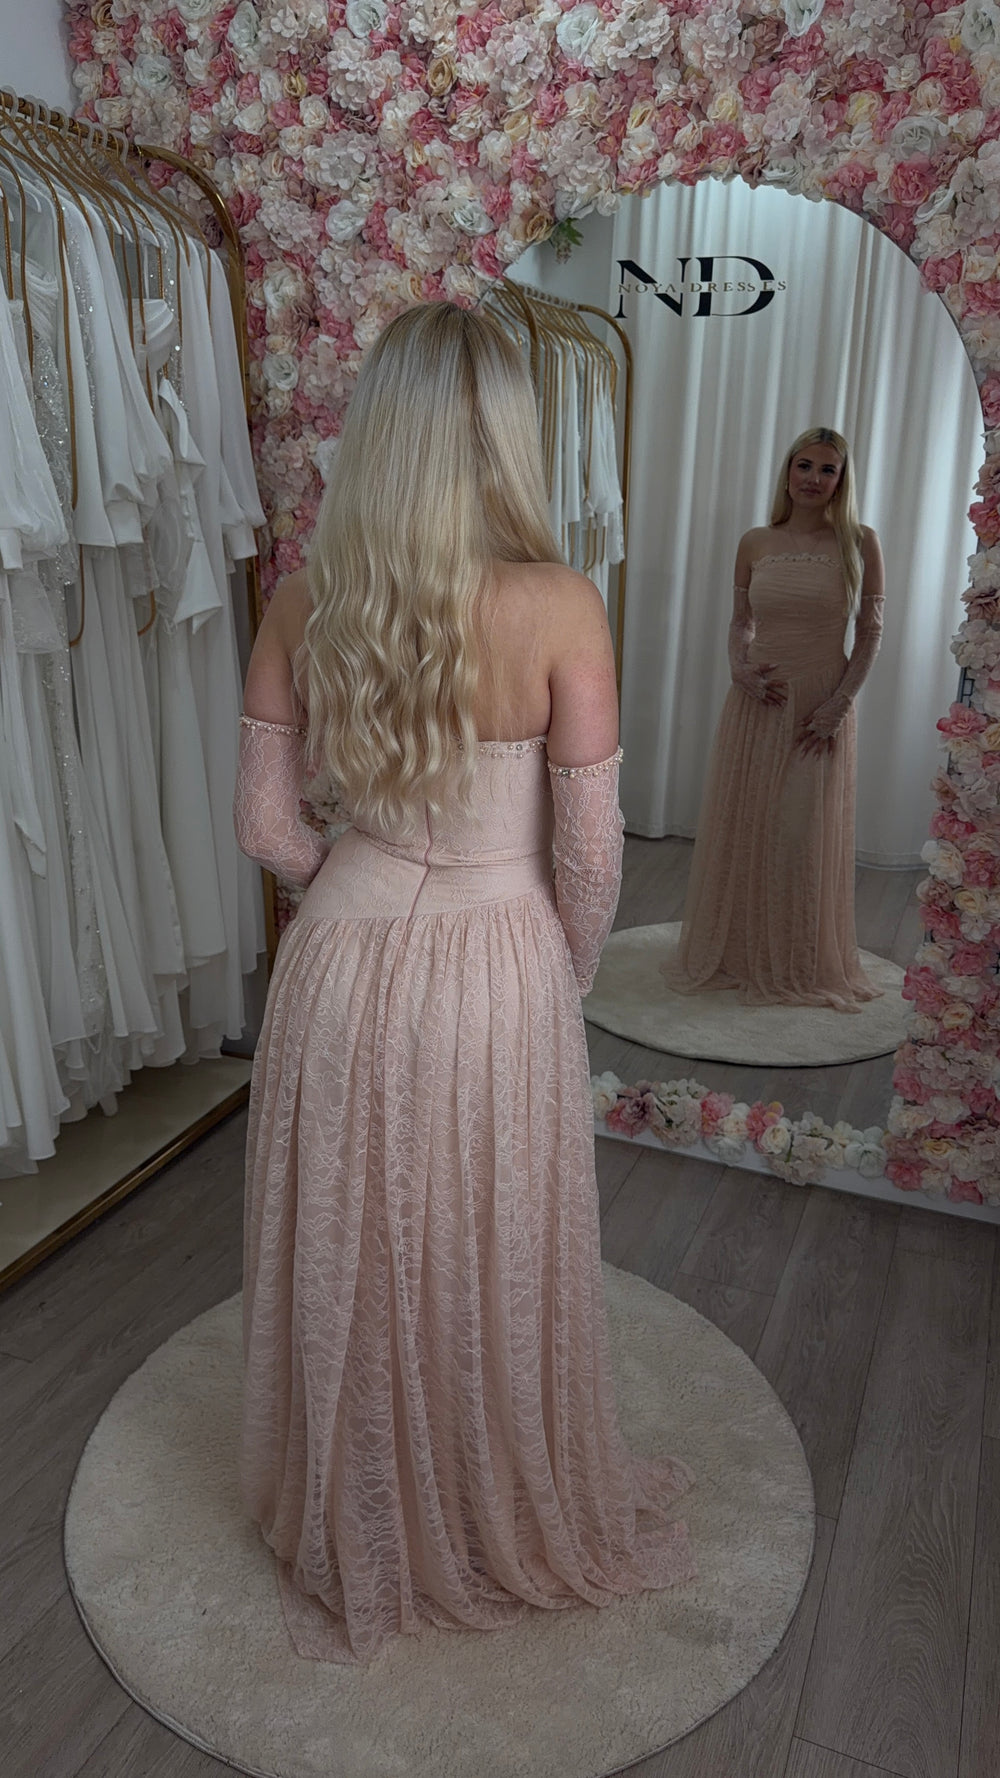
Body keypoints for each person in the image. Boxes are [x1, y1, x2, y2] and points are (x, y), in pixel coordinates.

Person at [233, 301, 694, 1665]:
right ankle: (481, 1498)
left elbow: (264, 826)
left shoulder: (306, 597)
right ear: (505, 434)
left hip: (338, 954)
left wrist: (347, 876)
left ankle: (356, 1500)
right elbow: (593, 855)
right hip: (498, 958)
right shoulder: (560, 602)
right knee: (483, 1238)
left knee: (355, 1237)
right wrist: (562, 969)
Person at [666, 426, 885, 1010]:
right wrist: (737, 666)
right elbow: (741, 621)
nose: (813, 478)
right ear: (788, 472)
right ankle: (741, 952)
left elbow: (871, 633)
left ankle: (797, 958)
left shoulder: (860, 542)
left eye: (827, 469)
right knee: (749, 825)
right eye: (804, 465)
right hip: (757, 701)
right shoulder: (755, 541)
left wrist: (839, 704)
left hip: (821, 705)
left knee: (800, 834)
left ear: (842, 480)